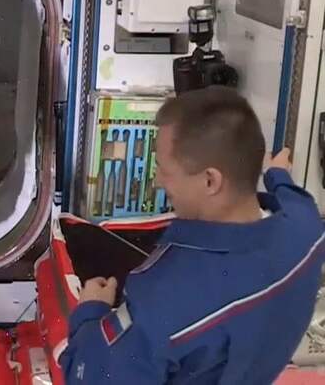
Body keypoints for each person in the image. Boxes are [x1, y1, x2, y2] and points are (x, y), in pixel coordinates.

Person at [59, 86, 325, 384]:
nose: (158, 180)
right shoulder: (308, 233)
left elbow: (92, 376)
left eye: (163, 168)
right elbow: (295, 199)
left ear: (210, 180)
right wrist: (277, 175)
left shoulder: (164, 303)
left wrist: (90, 311)